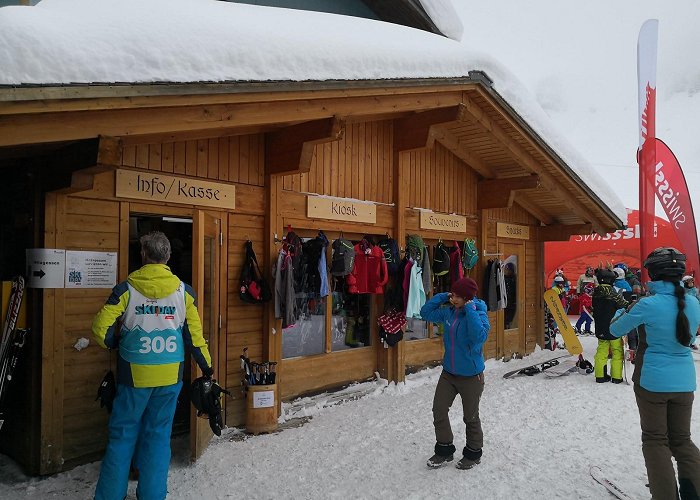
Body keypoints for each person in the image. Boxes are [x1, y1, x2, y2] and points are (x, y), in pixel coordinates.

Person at [92, 231, 214, 500]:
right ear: (168, 257)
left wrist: (116, 341)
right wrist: (207, 367)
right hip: (171, 374)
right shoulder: (185, 293)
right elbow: (194, 336)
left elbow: (100, 330)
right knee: (158, 436)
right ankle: (152, 494)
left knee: (123, 435)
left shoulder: (126, 289)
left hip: (134, 374)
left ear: (143, 255)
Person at [610, 247, 700, 499]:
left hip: (652, 381)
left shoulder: (647, 304)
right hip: (684, 382)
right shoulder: (693, 302)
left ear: (654, 274)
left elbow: (616, 330)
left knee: (655, 441)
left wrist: (623, 309)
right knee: (682, 440)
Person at [420, 277, 490, 470]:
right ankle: (444, 450)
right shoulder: (449, 312)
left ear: (468, 298)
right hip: (449, 374)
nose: (453, 299)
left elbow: (479, 337)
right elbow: (425, 312)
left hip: (471, 377)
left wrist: (470, 309)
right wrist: (443, 296)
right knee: (439, 410)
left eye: (457, 296)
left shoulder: (479, 314)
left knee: (471, 417)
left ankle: (473, 453)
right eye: (453, 294)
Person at [592, 268, 628, 383]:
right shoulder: (613, 293)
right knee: (617, 351)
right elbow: (624, 304)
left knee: (602, 350)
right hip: (614, 327)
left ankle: (600, 376)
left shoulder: (596, 292)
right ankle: (616, 377)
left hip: (600, 327)